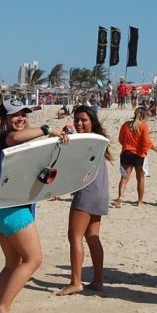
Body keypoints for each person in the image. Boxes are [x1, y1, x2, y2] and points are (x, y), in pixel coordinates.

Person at [0, 99, 68, 313]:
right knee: (34, 259)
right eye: (15, 115)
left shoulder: (5, 141)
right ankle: (2, 310)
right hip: (11, 207)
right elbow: (17, 137)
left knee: (12, 263)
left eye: (24, 114)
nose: (21, 118)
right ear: (3, 119)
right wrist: (47, 129)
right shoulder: (7, 137)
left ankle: (0, 310)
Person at [56, 105, 113, 296]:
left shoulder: (87, 140)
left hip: (88, 191)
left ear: (92, 122)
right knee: (92, 237)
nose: (79, 123)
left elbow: (71, 165)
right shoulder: (100, 140)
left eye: (83, 120)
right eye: (76, 120)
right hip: (101, 191)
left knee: (75, 236)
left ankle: (75, 282)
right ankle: (98, 281)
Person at [115, 107, 157, 207]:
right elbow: (146, 142)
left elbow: (120, 139)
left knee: (124, 178)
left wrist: (127, 145)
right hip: (139, 155)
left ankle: (120, 197)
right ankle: (140, 201)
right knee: (140, 178)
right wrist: (154, 148)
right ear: (144, 116)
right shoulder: (143, 126)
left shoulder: (126, 125)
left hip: (126, 153)